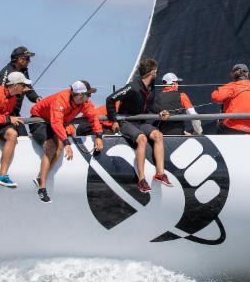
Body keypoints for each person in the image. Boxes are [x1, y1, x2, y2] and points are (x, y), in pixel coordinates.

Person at [30, 80, 103, 203]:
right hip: (39, 120)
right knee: (51, 147)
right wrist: (67, 143)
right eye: (88, 95)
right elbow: (56, 123)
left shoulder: (83, 102)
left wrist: (99, 135)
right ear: (79, 95)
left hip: (55, 121)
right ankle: (42, 188)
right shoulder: (60, 100)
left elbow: (93, 116)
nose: (90, 97)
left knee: (59, 148)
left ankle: (41, 178)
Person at [106, 59, 171, 193]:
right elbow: (110, 99)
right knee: (142, 139)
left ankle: (160, 174)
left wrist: (160, 112)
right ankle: (141, 180)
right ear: (152, 72)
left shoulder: (151, 88)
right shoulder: (132, 87)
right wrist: (114, 120)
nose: (157, 74)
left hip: (141, 122)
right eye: (156, 71)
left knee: (158, 135)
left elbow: (152, 105)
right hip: (126, 122)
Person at [0, 46, 40, 135]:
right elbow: (1, 94)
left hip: (16, 112)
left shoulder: (23, 71)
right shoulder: (6, 72)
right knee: (19, 135)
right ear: (20, 59)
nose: (29, 61)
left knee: (23, 137)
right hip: (6, 114)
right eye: (27, 59)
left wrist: (36, 98)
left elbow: (28, 88)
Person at [211, 63, 250, 134]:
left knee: (220, 128)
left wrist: (221, 89)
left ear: (233, 74)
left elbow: (216, 97)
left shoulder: (232, 86)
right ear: (247, 73)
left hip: (232, 127)